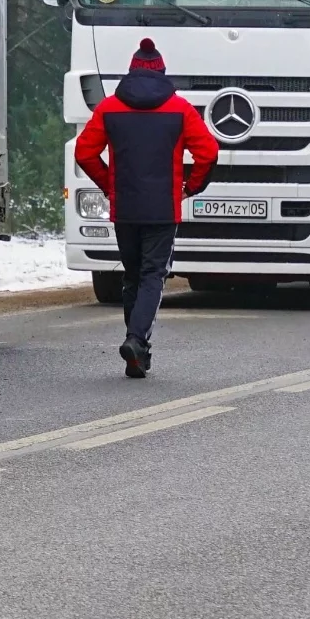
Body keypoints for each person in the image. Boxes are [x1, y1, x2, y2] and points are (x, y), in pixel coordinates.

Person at [74, 38, 218, 378]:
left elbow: (84, 152)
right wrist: (190, 186)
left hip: (125, 207)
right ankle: (136, 341)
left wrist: (109, 183)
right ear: (162, 74)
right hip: (163, 209)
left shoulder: (109, 108)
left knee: (133, 275)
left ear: (131, 72)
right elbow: (209, 153)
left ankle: (136, 347)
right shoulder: (180, 109)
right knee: (154, 275)